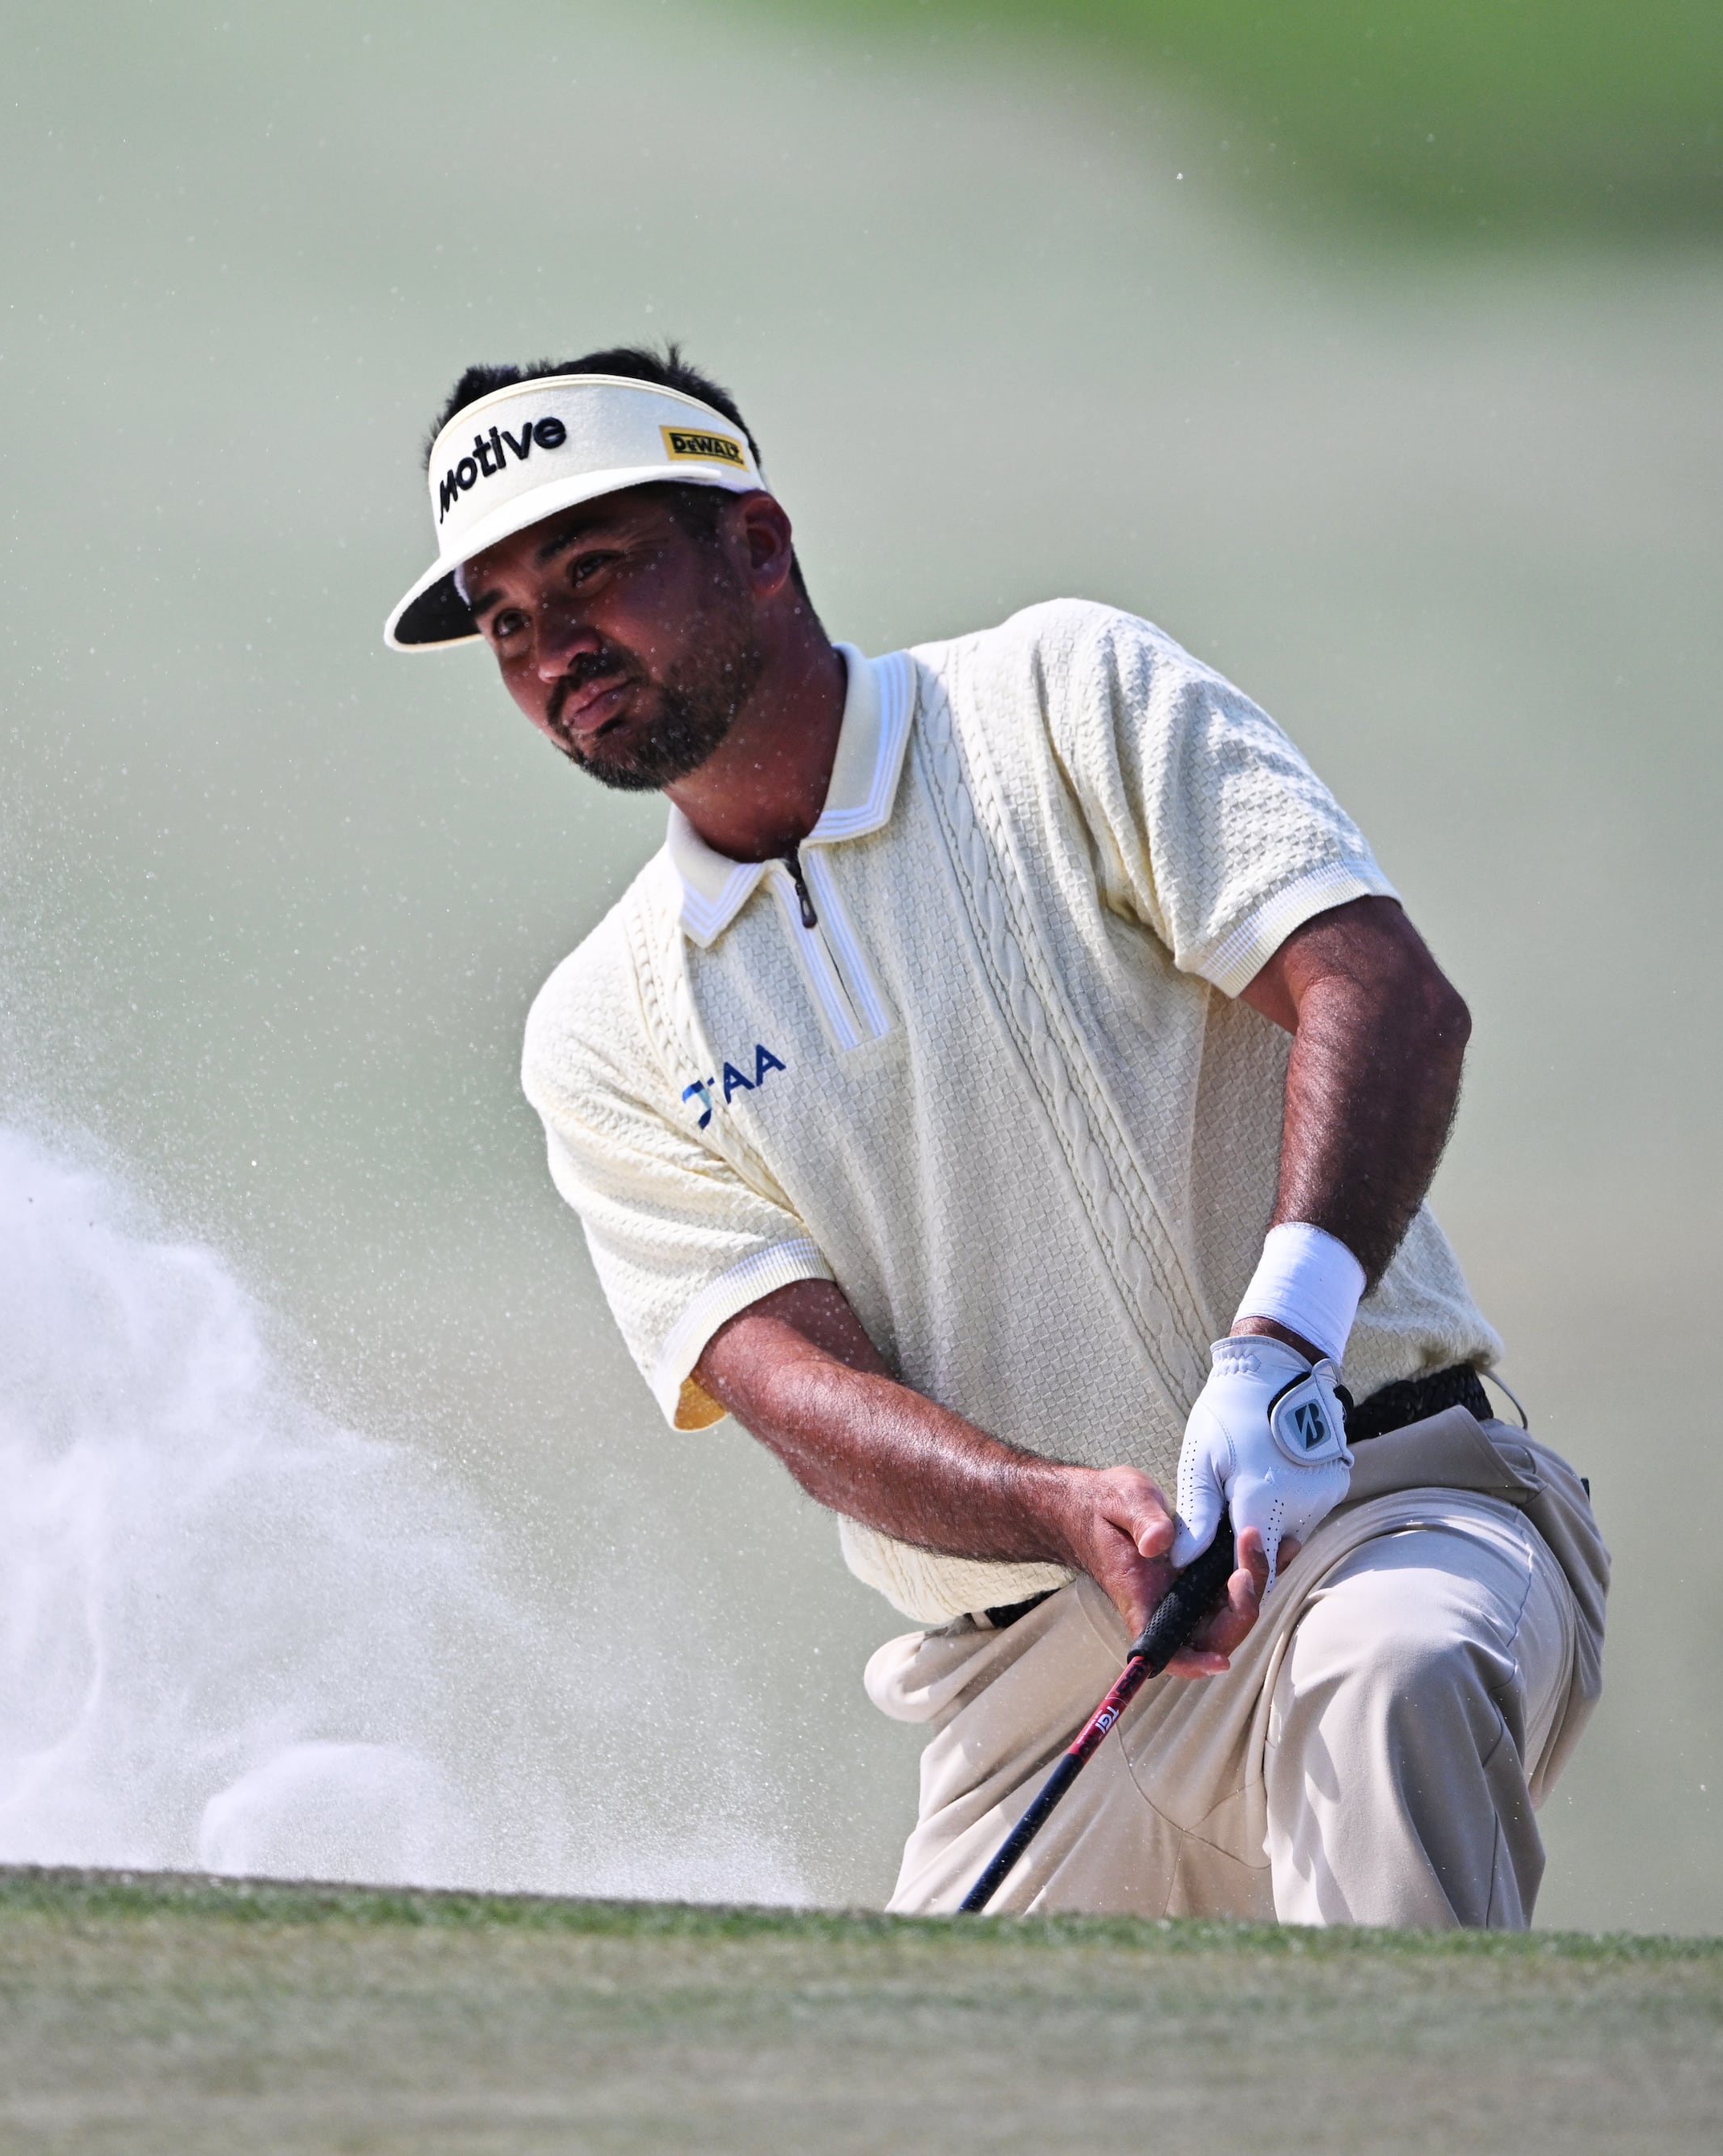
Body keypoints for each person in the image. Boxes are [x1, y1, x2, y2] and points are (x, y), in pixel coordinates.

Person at [386, 348, 1606, 1926]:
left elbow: (1379, 990)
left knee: (1402, 1673)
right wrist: (1057, 1508)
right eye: (507, 623)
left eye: (593, 570)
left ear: (757, 546)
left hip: (1383, 1501)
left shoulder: (1061, 697)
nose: (556, 649)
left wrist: (1283, 1346)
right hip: (1028, 1683)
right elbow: (790, 1385)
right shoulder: (605, 1026)